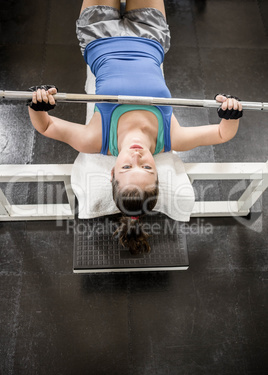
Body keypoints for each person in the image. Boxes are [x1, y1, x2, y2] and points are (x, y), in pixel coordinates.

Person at [28, 0, 243, 254]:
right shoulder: (171, 137)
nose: (137, 156)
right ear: (157, 170)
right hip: (150, 33)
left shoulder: (97, 139)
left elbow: (47, 127)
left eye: (127, 166)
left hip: (99, 33)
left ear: (112, 172)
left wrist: (37, 106)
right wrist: (231, 113)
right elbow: (221, 133)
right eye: (147, 167)